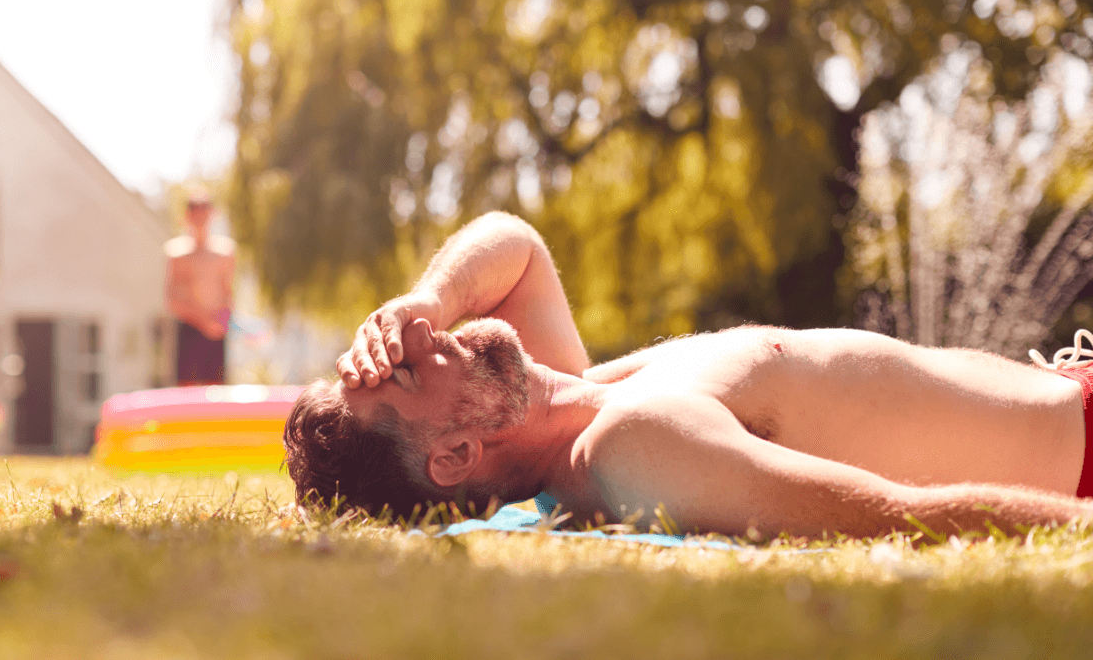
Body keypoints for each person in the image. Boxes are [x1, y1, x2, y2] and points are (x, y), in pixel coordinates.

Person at [283, 212, 1093, 538]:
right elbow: (899, 516)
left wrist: (423, 293)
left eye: (398, 339)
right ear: (455, 456)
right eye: (405, 371)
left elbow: (515, 243)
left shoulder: (569, 392)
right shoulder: (633, 443)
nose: (425, 334)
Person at [164, 191, 235, 386]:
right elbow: (172, 300)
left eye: (204, 212)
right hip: (189, 330)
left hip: (216, 332)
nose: (200, 218)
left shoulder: (225, 252)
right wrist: (203, 321)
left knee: (216, 394)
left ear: (212, 215)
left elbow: (228, 295)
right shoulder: (176, 254)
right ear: (187, 216)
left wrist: (221, 323)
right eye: (195, 212)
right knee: (186, 392)